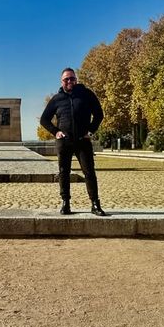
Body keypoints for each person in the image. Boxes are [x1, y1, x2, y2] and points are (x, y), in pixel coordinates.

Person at [40, 67, 108, 216]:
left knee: (89, 172)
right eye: (66, 79)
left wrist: (91, 131)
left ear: (76, 79)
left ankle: (95, 204)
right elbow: (44, 119)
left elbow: (99, 114)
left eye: (72, 78)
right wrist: (55, 131)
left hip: (82, 141)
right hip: (64, 142)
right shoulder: (56, 99)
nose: (69, 81)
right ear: (61, 81)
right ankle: (66, 203)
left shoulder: (86, 94)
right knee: (63, 173)